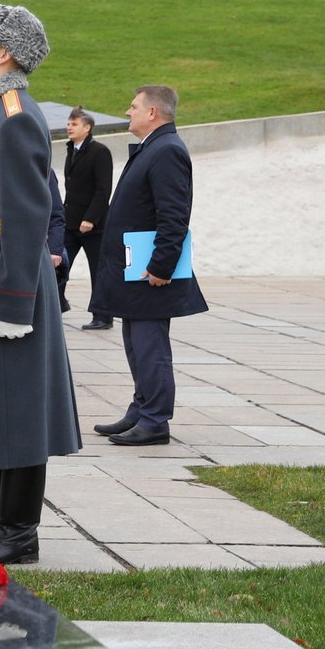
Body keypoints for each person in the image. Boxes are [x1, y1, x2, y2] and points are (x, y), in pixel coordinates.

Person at [0, 3, 82, 565]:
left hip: (8, 277)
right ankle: (3, 523)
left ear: (5, 52)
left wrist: (13, 299)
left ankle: (18, 529)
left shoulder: (15, 114)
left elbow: (28, 215)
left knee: (19, 408)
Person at [89, 85, 207, 446]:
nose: (128, 112)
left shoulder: (167, 150)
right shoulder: (155, 147)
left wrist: (161, 267)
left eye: (134, 106)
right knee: (135, 343)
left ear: (153, 113)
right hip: (134, 270)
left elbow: (174, 215)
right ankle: (141, 409)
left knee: (150, 345)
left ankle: (155, 420)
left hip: (149, 272)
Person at [62, 106, 115, 329]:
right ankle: (56, 304)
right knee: (58, 264)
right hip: (69, 221)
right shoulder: (71, 149)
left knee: (99, 270)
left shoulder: (100, 151)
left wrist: (91, 219)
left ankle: (103, 316)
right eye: (68, 123)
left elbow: (103, 190)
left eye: (74, 124)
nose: (69, 127)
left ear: (88, 127)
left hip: (94, 225)